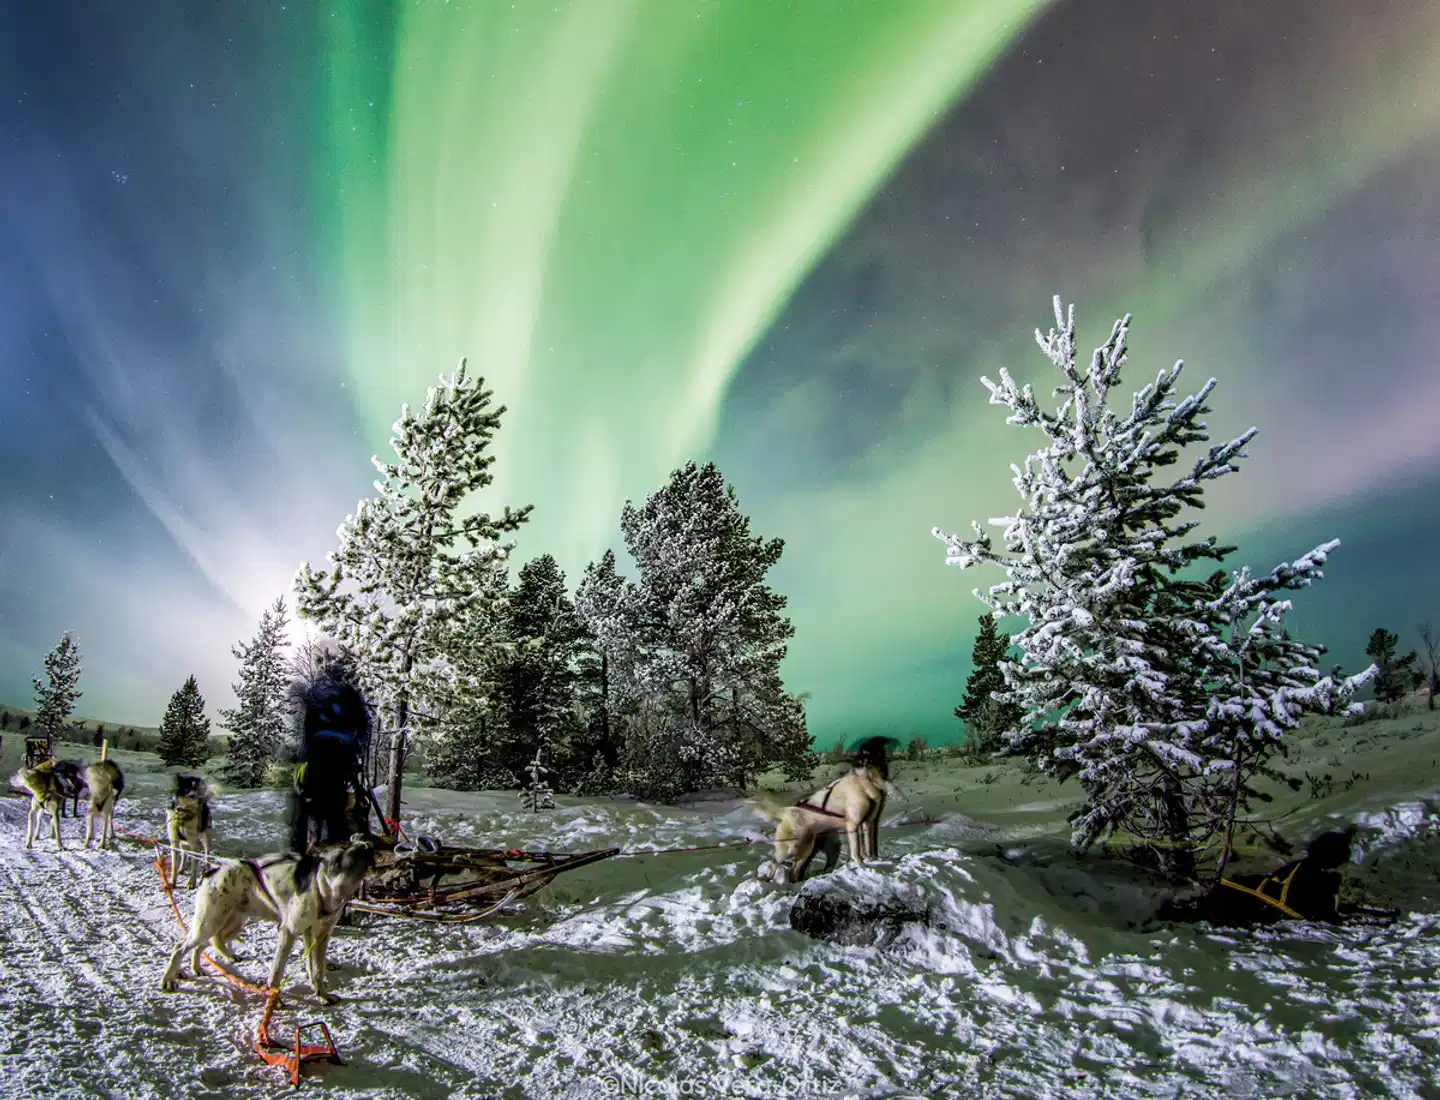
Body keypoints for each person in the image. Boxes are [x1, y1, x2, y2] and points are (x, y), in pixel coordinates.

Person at [1159, 826, 1399, 926]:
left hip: (1249, 898)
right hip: (1251, 907)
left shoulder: (1303, 866)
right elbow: (1330, 916)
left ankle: (1184, 908)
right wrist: (1371, 917)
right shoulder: (1321, 878)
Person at [288, 648, 373, 853]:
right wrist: (356, 753)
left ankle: (309, 850)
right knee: (333, 812)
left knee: (311, 809)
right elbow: (364, 727)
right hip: (336, 762)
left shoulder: (315, 693)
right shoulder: (349, 695)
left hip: (318, 762)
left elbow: (303, 728)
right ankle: (329, 850)